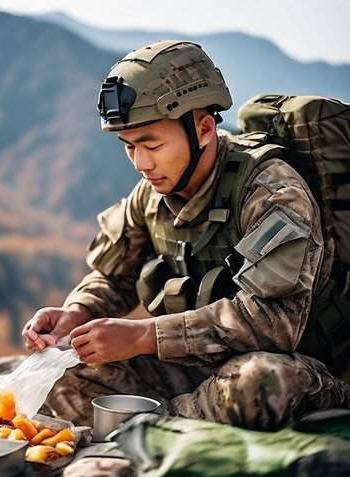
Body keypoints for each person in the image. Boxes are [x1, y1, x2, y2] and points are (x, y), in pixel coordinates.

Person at [22, 40, 350, 431]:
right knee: (59, 368)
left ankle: (152, 434)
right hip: (196, 369)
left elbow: (275, 322)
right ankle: (171, 431)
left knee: (259, 382)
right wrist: (78, 312)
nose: (142, 164)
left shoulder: (271, 192)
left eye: (152, 145)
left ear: (204, 128)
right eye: (129, 147)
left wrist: (146, 335)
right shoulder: (152, 195)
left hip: (301, 370)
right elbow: (112, 276)